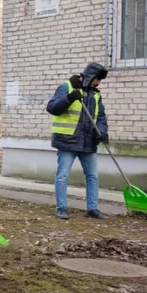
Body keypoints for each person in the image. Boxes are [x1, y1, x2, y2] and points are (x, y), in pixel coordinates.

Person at [46, 62, 109, 220]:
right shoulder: (66, 87)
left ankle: (92, 209)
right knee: (62, 176)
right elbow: (52, 108)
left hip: (88, 142)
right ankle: (62, 208)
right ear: (90, 76)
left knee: (93, 176)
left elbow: (101, 116)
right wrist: (69, 98)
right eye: (97, 79)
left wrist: (102, 131)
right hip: (68, 141)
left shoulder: (95, 94)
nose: (98, 83)